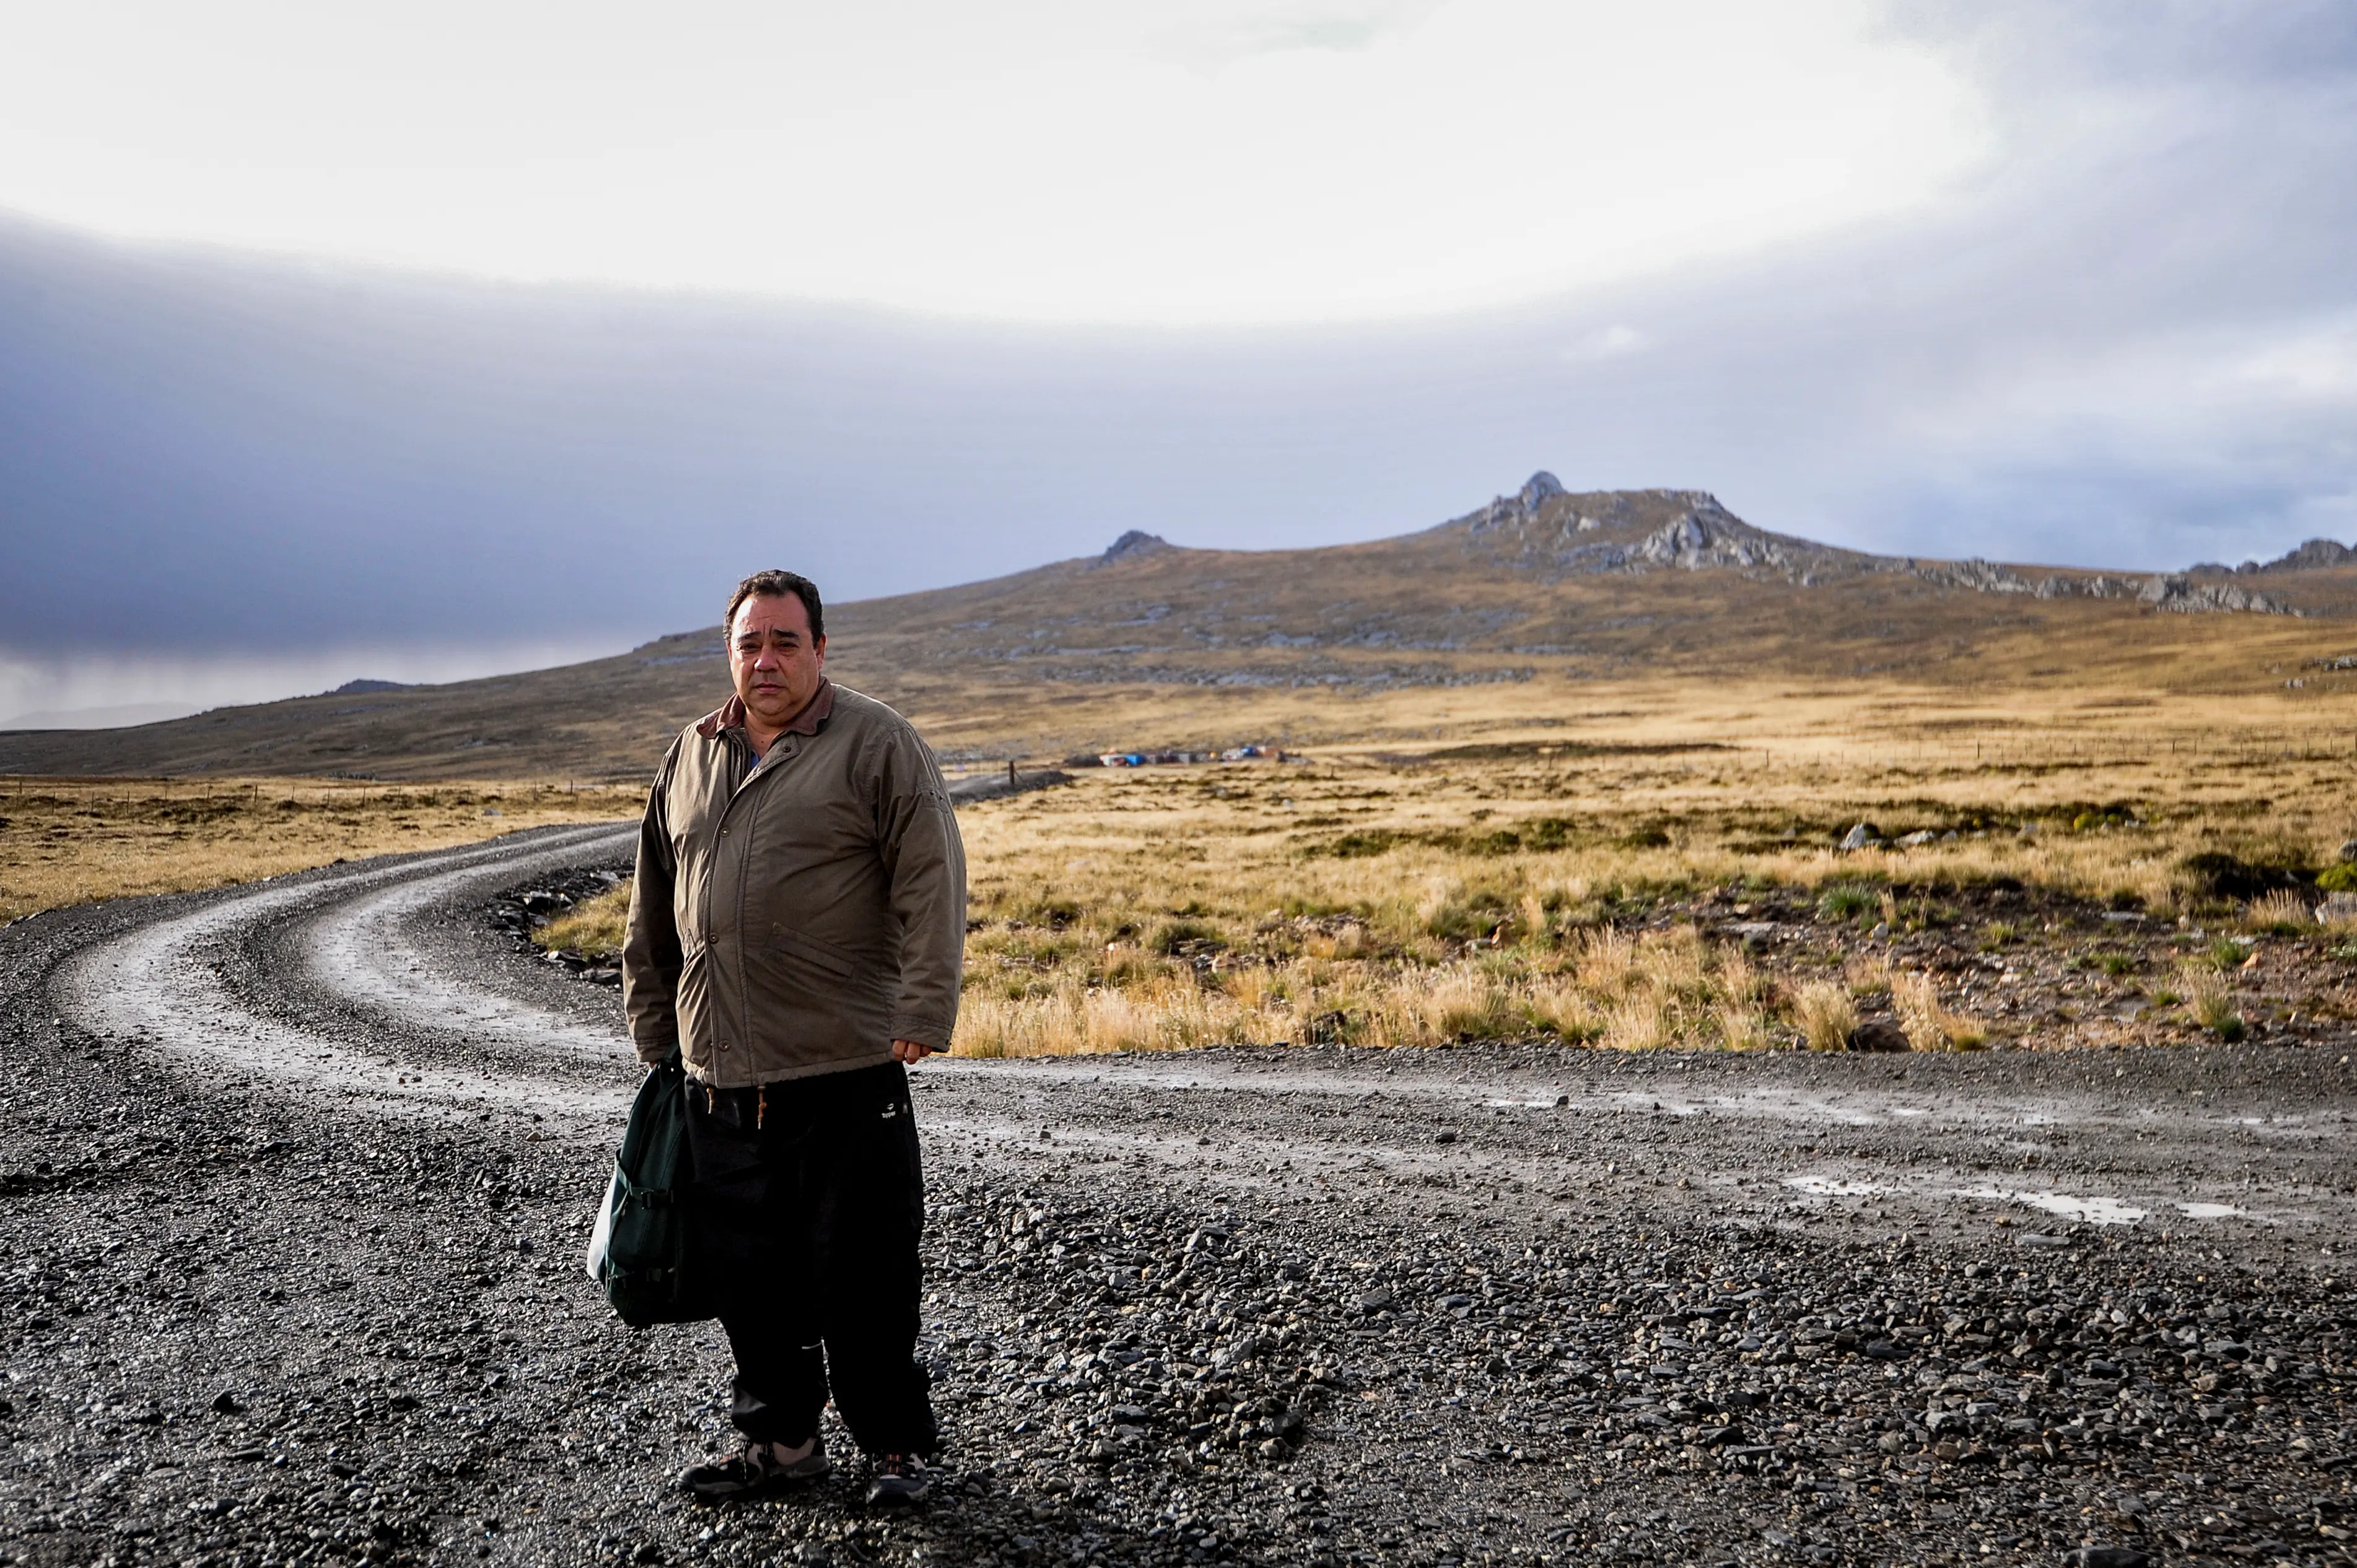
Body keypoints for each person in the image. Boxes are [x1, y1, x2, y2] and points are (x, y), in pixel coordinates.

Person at [621, 568, 966, 1505]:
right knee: (748, 1275)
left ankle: (893, 1448)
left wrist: (924, 1007)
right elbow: (656, 899)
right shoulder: (690, 755)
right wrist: (657, 1026)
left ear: (821, 649)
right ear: (728, 651)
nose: (765, 660)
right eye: (749, 643)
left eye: (784, 642)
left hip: (846, 1066)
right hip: (718, 1072)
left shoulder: (877, 743)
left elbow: (932, 873)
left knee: (866, 1274)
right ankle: (781, 1444)